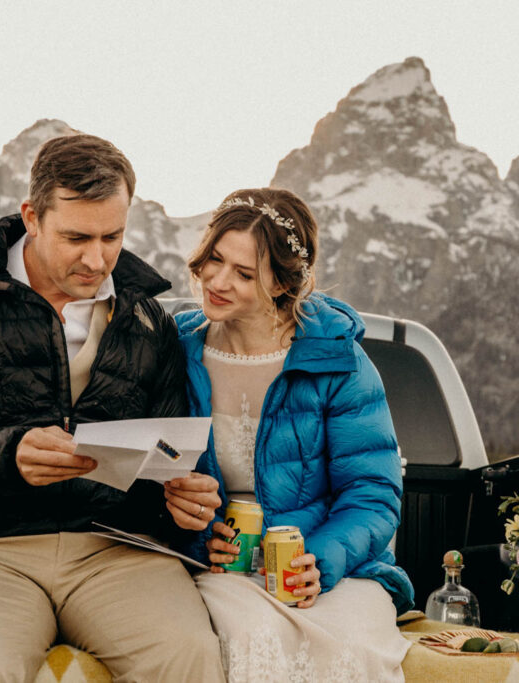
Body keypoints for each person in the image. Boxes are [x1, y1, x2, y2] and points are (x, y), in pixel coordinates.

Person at [0, 134, 225, 682]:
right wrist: (5, 453)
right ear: (31, 217)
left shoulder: (149, 321)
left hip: (118, 553)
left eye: (113, 236)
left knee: (190, 660)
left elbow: (164, 457)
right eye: (77, 237)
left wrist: (179, 501)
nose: (97, 258)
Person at [174, 188, 415, 682]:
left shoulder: (338, 361)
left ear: (284, 283)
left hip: (333, 569)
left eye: (243, 274)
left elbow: (372, 493)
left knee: (349, 645)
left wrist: (318, 560)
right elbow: (150, 473)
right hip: (220, 574)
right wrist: (200, 537)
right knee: (249, 638)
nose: (217, 281)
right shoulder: (175, 351)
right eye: (214, 259)